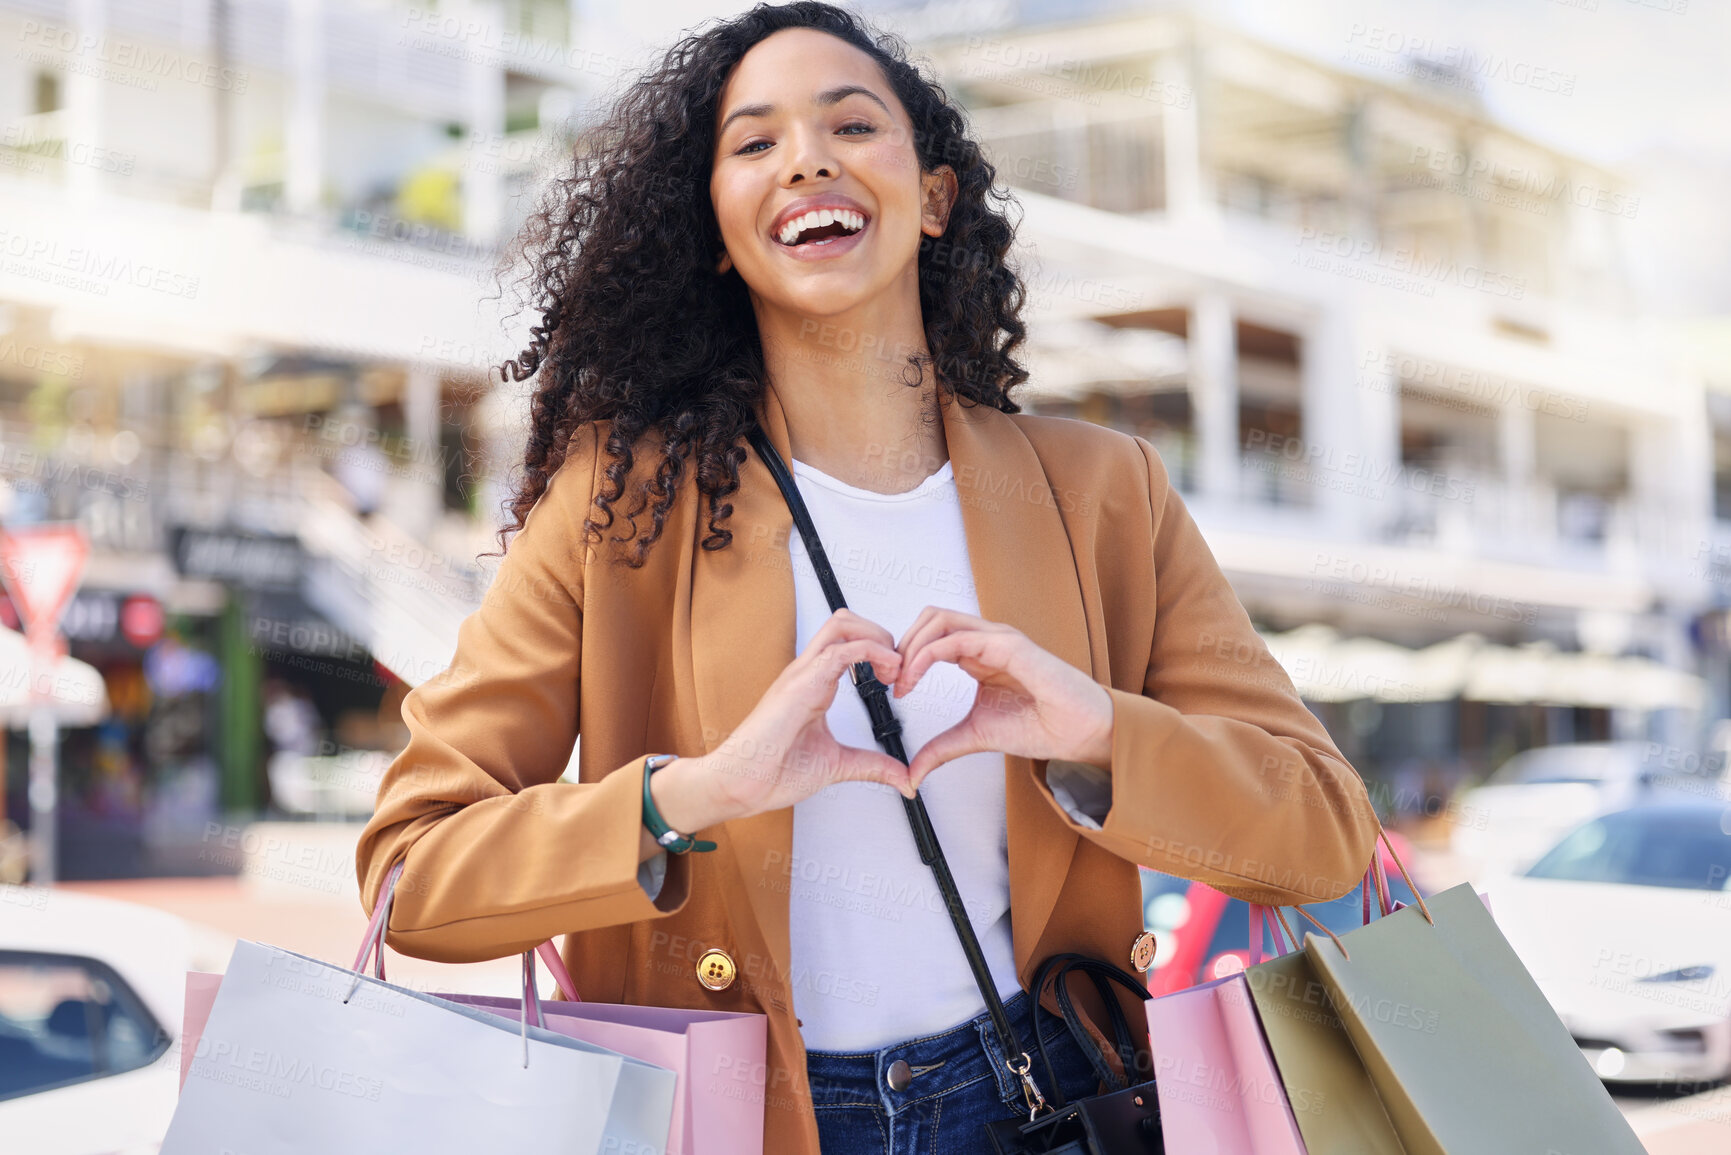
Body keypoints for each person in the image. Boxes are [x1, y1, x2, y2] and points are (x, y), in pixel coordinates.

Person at [355, 5, 1380, 1152]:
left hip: (1045, 1101)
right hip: (736, 1119)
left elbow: (1324, 834)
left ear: (934, 197)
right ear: (714, 228)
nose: (806, 157)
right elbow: (410, 878)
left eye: (852, 123)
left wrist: (1096, 732)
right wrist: (692, 797)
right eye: (754, 144)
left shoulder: (1106, 494)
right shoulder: (620, 507)